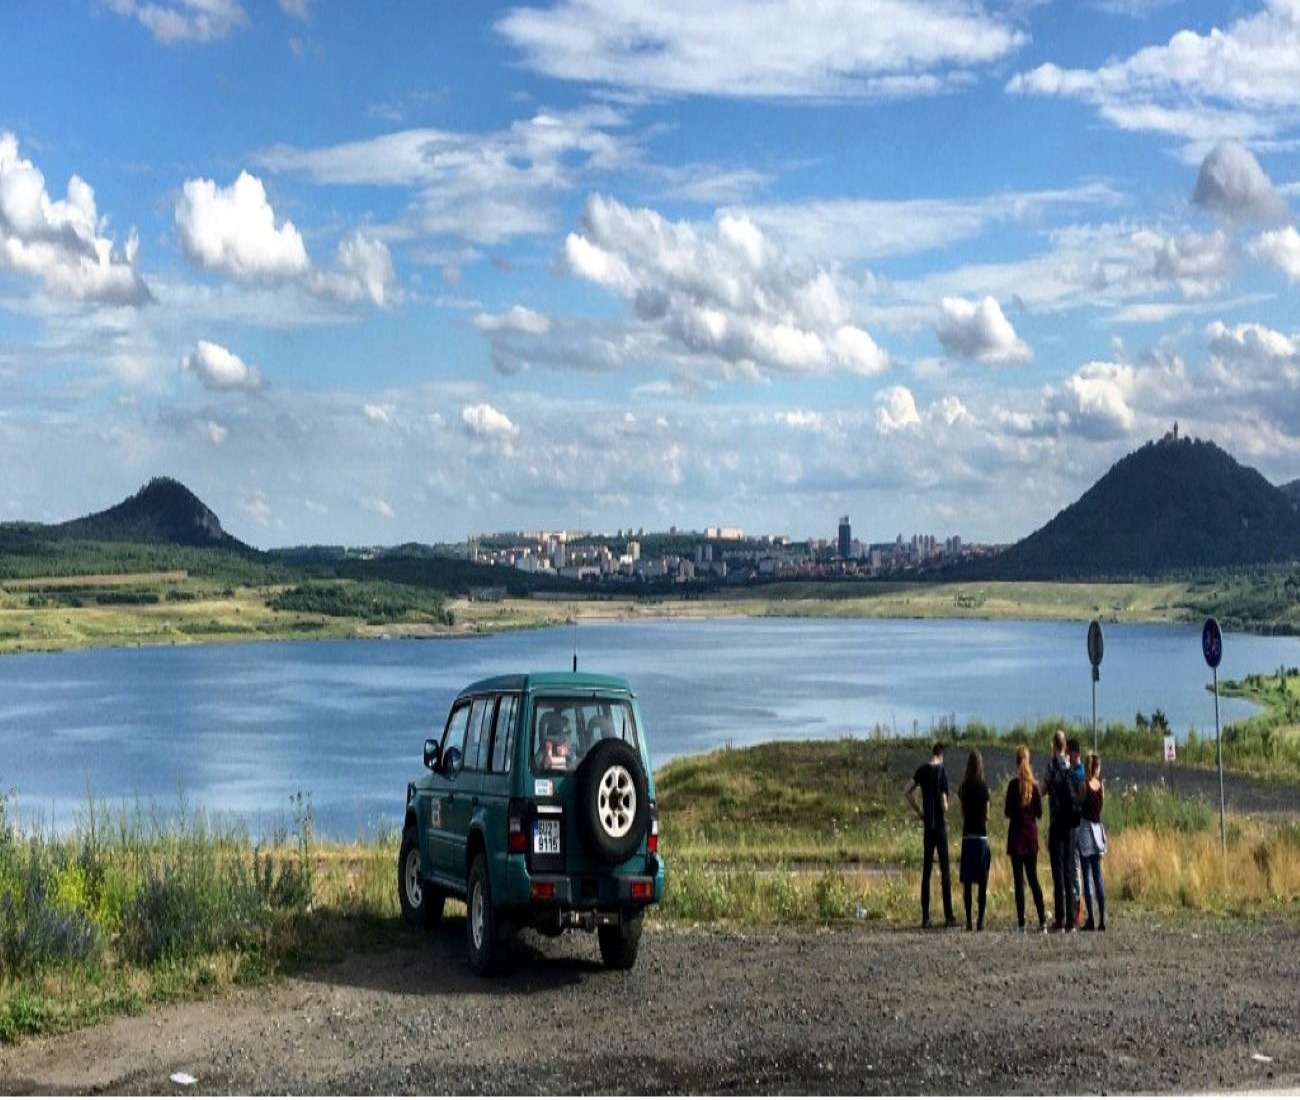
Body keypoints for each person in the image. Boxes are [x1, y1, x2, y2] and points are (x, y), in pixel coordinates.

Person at [904, 742, 956, 929]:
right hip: (940, 826)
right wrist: (946, 806)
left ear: (932, 753)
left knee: (926, 871)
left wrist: (919, 810)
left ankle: (925, 916)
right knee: (945, 871)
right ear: (941, 755)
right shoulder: (942, 772)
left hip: (928, 825)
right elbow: (944, 804)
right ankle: (948, 915)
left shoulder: (922, 770)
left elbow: (907, 790)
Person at [1005, 743, 1047, 933]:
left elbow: (1007, 812)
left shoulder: (1013, 786)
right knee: (1034, 879)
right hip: (1030, 837)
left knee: (1019, 881)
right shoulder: (1035, 786)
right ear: (1029, 760)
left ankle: (1021, 923)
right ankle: (1042, 920)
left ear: (1016, 762)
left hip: (1016, 838)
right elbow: (1039, 813)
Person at [1042, 729, 1079, 933]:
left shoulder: (1052, 766)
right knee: (1069, 869)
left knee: (1058, 872)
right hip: (1071, 825)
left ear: (1053, 745)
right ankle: (1072, 920)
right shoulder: (1070, 767)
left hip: (1056, 822)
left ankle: (1060, 918)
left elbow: (1043, 790)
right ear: (1065, 746)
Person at [957, 749, 991, 931]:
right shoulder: (983, 786)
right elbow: (988, 814)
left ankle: (969, 919)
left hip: (967, 835)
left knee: (968, 882)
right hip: (981, 835)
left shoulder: (963, 787)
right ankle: (981, 919)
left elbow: (962, 812)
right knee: (982, 880)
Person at [1075, 752, 1108, 931]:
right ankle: (1103, 917)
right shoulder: (1100, 787)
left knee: (1086, 876)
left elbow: (1079, 804)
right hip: (1097, 830)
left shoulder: (1084, 786)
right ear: (1096, 767)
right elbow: (1100, 807)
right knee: (1098, 877)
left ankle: (1091, 918)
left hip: (1086, 830)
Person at [1067, 736, 1086, 929]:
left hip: (1077, 824)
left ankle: (1078, 908)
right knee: (1075, 866)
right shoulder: (1078, 772)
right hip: (1075, 823)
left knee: (1075, 866)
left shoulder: (1079, 774)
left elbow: (1080, 799)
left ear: (1074, 753)